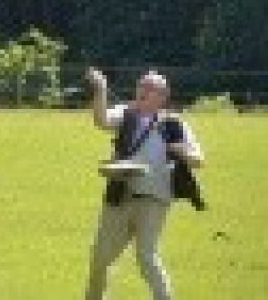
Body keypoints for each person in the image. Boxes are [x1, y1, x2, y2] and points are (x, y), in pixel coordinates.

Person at [83, 68, 205, 300]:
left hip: (155, 199)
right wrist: (101, 89)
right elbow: (101, 121)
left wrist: (181, 150)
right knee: (100, 256)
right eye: (141, 86)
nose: (142, 91)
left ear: (162, 96)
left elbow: (199, 159)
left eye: (149, 88)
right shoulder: (126, 114)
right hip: (120, 195)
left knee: (146, 255)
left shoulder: (174, 124)